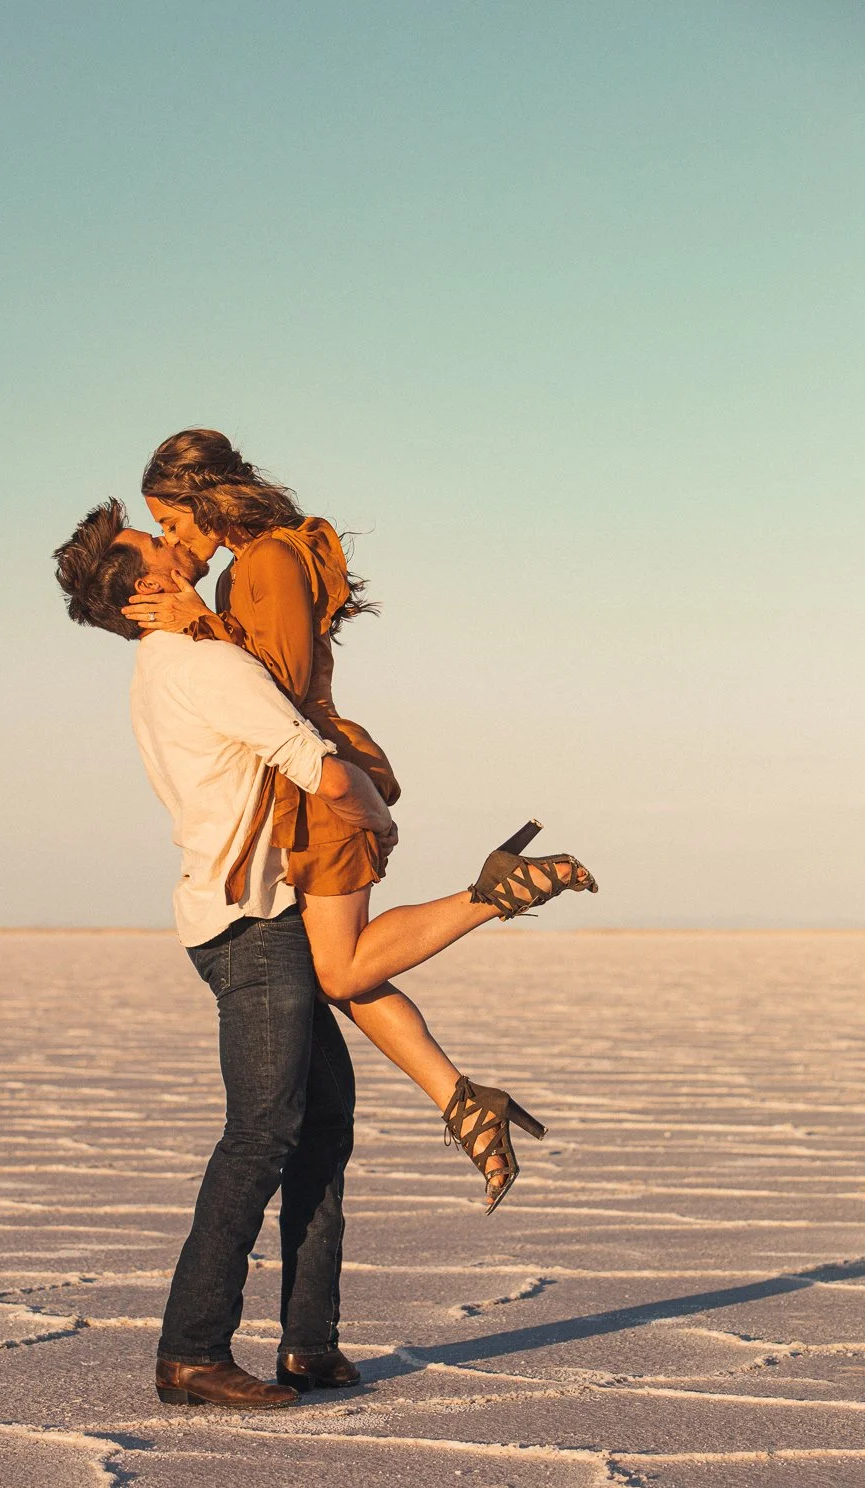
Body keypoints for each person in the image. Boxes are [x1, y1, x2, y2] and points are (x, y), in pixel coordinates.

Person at [124, 429, 597, 1210]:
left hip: (318, 784)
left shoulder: (266, 560)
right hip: (297, 785)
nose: (172, 537)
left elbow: (277, 684)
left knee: (340, 969)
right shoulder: (246, 568)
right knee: (343, 967)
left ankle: (493, 892)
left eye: (170, 520)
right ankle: (462, 1101)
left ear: (203, 500)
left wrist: (196, 626)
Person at [53, 503, 396, 1409]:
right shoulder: (203, 664)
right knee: (261, 1135)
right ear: (146, 592)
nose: (178, 543)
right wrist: (378, 814)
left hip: (252, 921)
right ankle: (191, 1351)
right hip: (252, 928)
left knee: (321, 1127)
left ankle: (308, 1344)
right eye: (156, 545)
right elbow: (312, 763)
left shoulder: (167, 663)